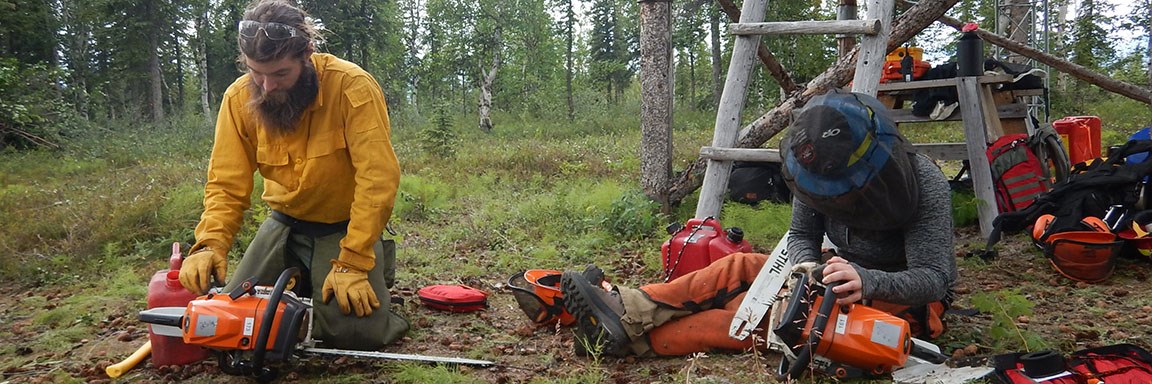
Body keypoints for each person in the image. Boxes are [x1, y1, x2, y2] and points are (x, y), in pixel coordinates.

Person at [560, 89, 957, 357]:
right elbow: (803, 235)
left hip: (901, 302)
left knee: (754, 317)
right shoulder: (814, 174)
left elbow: (936, 277)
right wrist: (807, 265)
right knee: (740, 267)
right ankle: (628, 309)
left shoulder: (925, 184)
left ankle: (621, 342)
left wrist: (868, 280)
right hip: (835, 273)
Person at [177, 0, 408, 350]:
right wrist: (210, 244)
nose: (267, 85)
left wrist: (354, 263)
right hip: (285, 224)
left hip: (344, 227)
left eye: (280, 73)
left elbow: (377, 181)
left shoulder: (352, 87)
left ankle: (378, 295)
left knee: (357, 335)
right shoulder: (237, 99)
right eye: (256, 72)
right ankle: (304, 284)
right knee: (233, 319)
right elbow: (226, 183)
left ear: (307, 54)